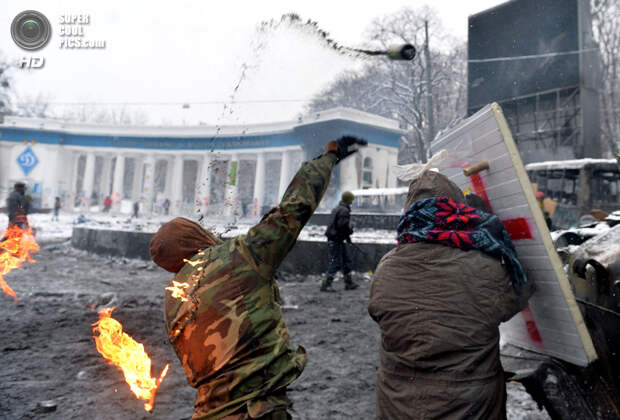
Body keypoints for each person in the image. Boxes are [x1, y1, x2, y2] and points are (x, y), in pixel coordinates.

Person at [150, 136, 367, 419]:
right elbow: (292, 209)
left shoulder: (172, 300)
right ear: (195, 236)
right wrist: (328, 159)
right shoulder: (238, 258)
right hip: (256, 411)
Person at [368, 170, 534, 420]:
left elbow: (380, 312)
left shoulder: (385, 267)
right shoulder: (484, 266)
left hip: (398, 403)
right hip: (469, 406)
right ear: (456, 212)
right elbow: (521, 292)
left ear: (410, 214)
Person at [321, 190, 358, 292]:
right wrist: (350, 229)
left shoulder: (337, 209)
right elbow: (342, 227)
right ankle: (326, 284)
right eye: (352, 200)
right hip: (336, 239)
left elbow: (337, 226)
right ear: (349, 200)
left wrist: (347, 237)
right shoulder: (344, 211)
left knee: (346, 260)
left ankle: (349, 283)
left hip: (336, 239)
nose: (352, 202)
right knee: (336, 263)